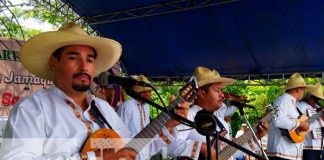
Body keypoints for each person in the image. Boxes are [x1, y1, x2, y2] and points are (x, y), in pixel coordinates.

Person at [0, 22, 193, 160]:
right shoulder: (33, 109)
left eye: (90, 59)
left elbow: (130, 150)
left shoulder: (102, 108)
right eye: (73, 57)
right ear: (54, 63)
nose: (84, 66)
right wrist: (95, 157)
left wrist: (167, 124)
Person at [175, 66, 268, 160]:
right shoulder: (186, 115)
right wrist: (200, 148)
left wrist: (257, 136)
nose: (222, 95)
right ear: (202, 93)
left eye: (221, 90)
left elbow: (230, 155)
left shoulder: (221, 122)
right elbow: (167, 144)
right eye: (217, 90)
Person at [267, 73, 323, 160]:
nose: (303, 93)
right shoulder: (281, 100)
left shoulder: (293, 104)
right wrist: (300, 123)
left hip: (289, 153)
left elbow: (302, 128)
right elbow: (277, 121)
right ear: (298, 89)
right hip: (281, 153)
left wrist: (320, 121)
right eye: (303, 90)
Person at [297, 82, 324, 160]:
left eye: (318, 99)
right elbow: (301, 125)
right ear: (309, 96)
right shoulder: (300, 106)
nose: (316, 101)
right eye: (315, 98)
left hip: (320, 147)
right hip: (307, 146)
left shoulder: (318, 107)